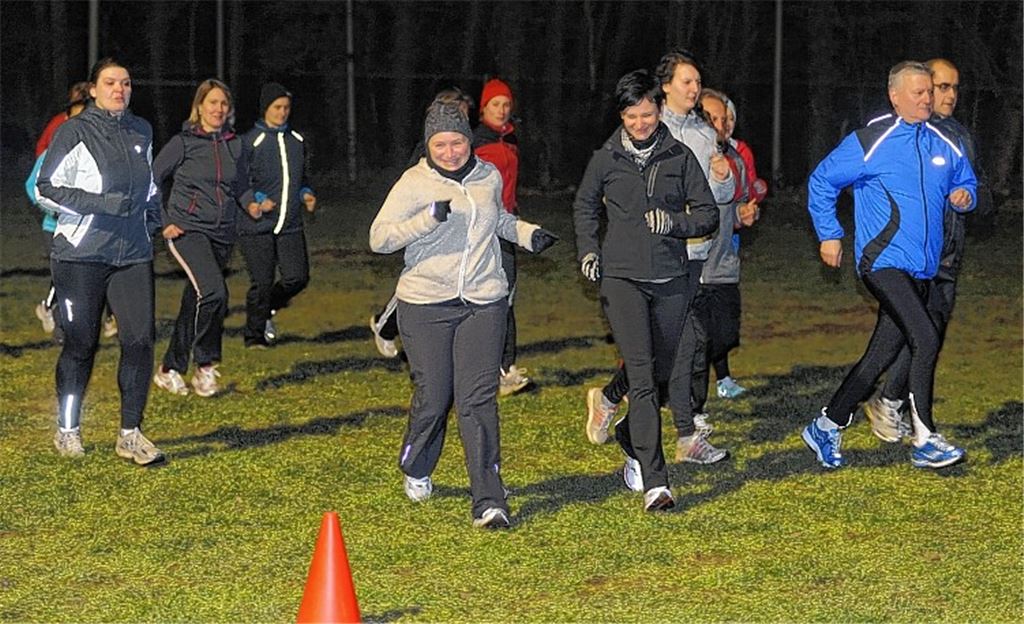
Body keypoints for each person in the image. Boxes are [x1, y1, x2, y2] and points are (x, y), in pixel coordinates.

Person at [369, 101, 558, 529]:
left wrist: (527, 234)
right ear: (429, 143)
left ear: (469, 141)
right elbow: (379, 238)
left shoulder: (486, 175)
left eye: (457, 142)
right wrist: (425, 220)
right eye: (441, 143)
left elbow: (498, 221)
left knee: (477, 401)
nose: (451, 151)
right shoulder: (413, 183)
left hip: (483, 300)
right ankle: (417, 464)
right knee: (435, 398)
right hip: (426, 303)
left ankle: (489, 501)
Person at [804, 61, 977, 470]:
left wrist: (966, 195)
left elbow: (966, 180)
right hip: (881, 261)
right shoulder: (872, 140)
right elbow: (822, 180)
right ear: (894, 97)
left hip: (922, 268)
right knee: (926, 336)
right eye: (917, 92)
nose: (926, 98)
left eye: (928, 92)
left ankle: (826, 425)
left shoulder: (942, 142)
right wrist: (829, 233)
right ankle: (926, 437)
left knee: (878, 356)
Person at [574, 69, 718, 511]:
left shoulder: (678, 155)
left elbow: (708, 213)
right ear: (621, 116)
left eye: (648, 114)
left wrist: (676, 224)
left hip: (672, 279)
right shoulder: (606, 158)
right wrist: (589, 251)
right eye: (632, 116)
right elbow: (583, 206)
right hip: (622, 280)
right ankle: (657, 483)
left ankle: (625, 431)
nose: (640, 123)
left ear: (659, 110)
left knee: (659, 372)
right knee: (642, 376)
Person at [34, 57, 165, 465]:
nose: (119, 89)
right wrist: (102, 204)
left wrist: (155, 214)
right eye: (110, 82)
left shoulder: (141, 130)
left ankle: (130, 434)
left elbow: (148, 185)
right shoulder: (74, 131)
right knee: (80, 344)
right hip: (81, 256)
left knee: (140, 341)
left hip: (132, 254)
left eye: (126, 83)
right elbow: (45, 188)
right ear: (93, 89)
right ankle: (67, 429)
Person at [862, 58, 994, 443]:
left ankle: (889, 402)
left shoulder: (958, 136)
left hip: (947, 259)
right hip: (904, 259)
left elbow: (981, 193)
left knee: (925, 334)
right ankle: (888, 410)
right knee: (911, 334)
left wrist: (970, 197)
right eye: (941, 87)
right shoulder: (890, 132)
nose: (949, 95)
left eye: (954, 88)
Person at [151, 79, 242, 397]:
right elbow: (152, 178)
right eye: (212, 102)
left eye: (223, 104)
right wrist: (163, 221)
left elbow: (240, 185)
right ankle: (205, 365)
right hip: (187, 230)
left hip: (221, 234)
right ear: (200, 106)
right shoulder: (183, 142)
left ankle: (169, 369)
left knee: (196, 301)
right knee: (215, 293)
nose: (218, 109)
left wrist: (254, 204)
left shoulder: (234, 144)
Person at [369, 87, 475, 358]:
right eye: (454, 113)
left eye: (463, 116)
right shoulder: (426, 152)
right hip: (427, 228)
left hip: (458, 231)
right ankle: (385, 325)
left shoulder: (467, 147)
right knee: (417, 285)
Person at [234, 82, 316, 349]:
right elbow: (239, 181)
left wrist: (306, 193)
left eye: (286, 108)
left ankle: (266, 310)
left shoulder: (297, 141)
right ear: (265, 109)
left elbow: (302, 177)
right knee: (262, 282)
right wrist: (256, 200)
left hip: (289, 223)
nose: (282, 113)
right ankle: (254, 336)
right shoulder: (250, 141)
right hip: (257, 225)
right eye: (277, 107)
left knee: (297, 277)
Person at [474, 78, 530, 396]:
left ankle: (506, 367)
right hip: (481, 229)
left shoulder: (511, 140)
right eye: (496, 104)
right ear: (484, 108)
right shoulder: (474, 141)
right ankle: (490, 367)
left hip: (506, 226)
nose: (502, 110)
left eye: (507, 104)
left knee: (507, 295)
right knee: (488, 297)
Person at [26, 82, 90, 340]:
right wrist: (53, 209)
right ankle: (63, 329)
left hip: (86, 229)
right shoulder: (53, 152)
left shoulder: (95, 154)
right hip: (55, 227)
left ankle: (77, 326)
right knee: (65, 277)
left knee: (82, 279)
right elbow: (32, 186)